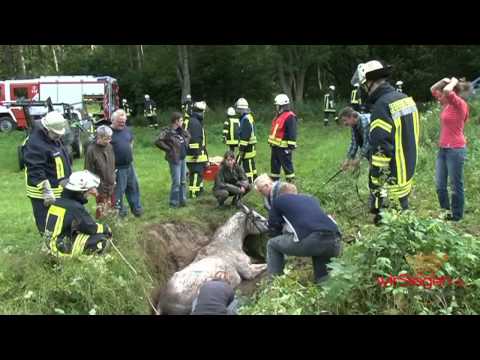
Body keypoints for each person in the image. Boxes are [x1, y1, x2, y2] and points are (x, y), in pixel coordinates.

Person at [351, 60, 419, 225]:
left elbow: (381, 149)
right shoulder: (405, 99)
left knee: (390, 224)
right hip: (407, 169)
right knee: (403, 215)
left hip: (392, 179)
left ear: (369, 82)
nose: (362, 90)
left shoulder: (381, 107)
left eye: (362, 86)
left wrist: (375, 180)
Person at [266, 190, 342, 284]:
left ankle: (274, 284)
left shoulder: (277, 200)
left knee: (272, 244)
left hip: (313, 240)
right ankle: (324, 285)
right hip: (335, 239)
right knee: (323, 280)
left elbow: (273, 228)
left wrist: (283, 246)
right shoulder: (310, 199)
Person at [23, 111, 72, 234]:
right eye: (55, 134)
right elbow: (35, 169)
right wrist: (46, 191)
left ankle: (59, 240)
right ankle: (48, 245)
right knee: (46, 221)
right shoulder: (35, 144)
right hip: (42, 194)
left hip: (58, 189)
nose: (58, 137)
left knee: (60, 219)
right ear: (46, 129)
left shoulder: (51, 138)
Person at [44, 170, 112, 258]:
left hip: (50, 246)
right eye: (88, 192)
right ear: (80, 192)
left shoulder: (58, 201)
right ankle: (86, 260)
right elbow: (89, 228)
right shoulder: (75, 207)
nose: (89, 195)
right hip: (59, 250)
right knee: (101, 238)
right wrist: (105, 228)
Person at [430, 77, 471, 221]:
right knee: (440, 185)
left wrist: (453, 81)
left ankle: (457, 216)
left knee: (455, 184)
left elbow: (447, 90)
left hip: (456, 150)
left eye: (444, 94)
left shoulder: (460, 104)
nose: (440, 96)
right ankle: (446, 212)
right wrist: (442, 80)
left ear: (453, 92)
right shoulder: (446, 104)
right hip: (443, 150)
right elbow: (433, 89)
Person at [110, 109, 144, 217]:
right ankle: (119, 212)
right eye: (120, 122)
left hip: (129, 166)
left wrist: (129, 153)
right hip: (118, 168)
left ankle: (136, 209)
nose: (122, 124)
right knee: (118, 191)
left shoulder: (127, 130)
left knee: (133, 187)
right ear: (113, 120)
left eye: (124, 122)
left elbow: (131, 141)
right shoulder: (109, 133)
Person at [155, 112, 191, 208]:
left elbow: (188, 136)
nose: (182, 122)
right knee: (177, 182)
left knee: (183, 181)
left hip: (183, 158)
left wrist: (185, 143)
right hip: (174, 159)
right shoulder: (167, 131)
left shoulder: (181, 130)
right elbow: (158, 141)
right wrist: (169, 149)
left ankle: (183, 201)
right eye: (181, 120)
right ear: (176, 121)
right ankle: (173, 203)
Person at [84, 125, 116, 219]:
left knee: (112, 206)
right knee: (102, 209)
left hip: (111, 183)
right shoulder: (91, 150)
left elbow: (112, 163)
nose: (109, 140)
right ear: (99, 137)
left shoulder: (109, 146)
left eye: (110, 138)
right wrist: (92, 187)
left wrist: (114, 177)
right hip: (100, 186)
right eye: (106, 138)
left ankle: (112, 225)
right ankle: (101, 227)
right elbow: (87, 171)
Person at [268, 94, 298, 182]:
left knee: (287, 168)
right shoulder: (279, 115)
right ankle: (274, 185)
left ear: (281, 105)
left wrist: (290, 147)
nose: (276, 107)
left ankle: (291, 184)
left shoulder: (290, 116)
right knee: (274, 168)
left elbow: (292, 132)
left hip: (284, 148)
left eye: (277, 105)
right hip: (275, 147)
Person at [185, 101, 209, 198]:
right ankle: (194, 193)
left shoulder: (195, 121)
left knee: (198, 173)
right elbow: (194, 139)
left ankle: (198, 190)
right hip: (195, 155)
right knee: (196, 173)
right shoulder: (195, 122)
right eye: (203, 112)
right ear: (200, 112)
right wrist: (196, 153)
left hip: (198, 154)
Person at [338, 106, 371, 171]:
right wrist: (348, 159)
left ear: (352, 116)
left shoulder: (365, 123)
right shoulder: (354, 124)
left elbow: (367, 143)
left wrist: (358, 159)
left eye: (345, 120)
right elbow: (354, 143)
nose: (344, 124)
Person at [236, 98, 258, 183]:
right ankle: (255, 178)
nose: (237, 111)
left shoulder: (245, 119)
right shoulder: (248, 117)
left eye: (238, 109)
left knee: (247, 164)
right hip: (250, 145)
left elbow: (245, 136)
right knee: (251, 163)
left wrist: (241, 149)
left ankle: (250, 182)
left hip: (247, 146)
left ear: (241, 110)